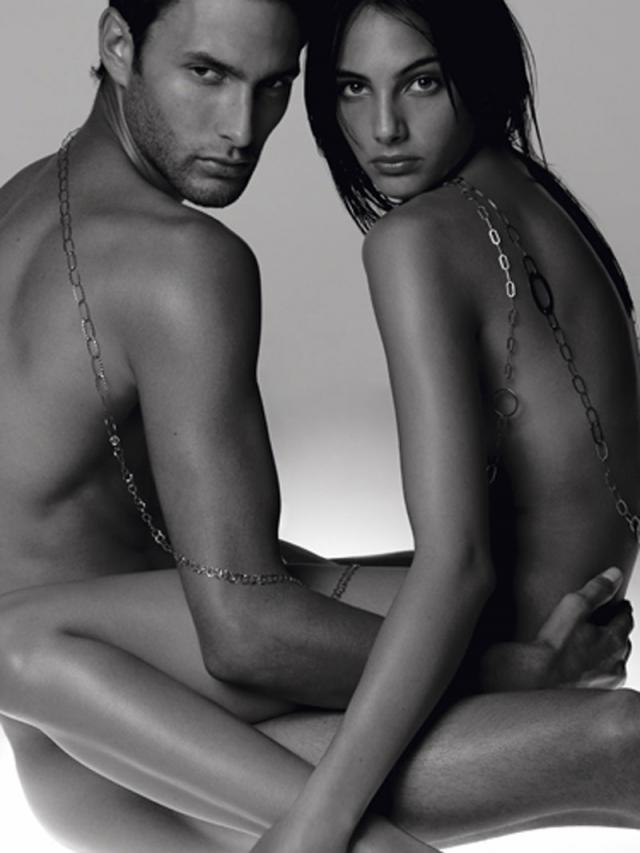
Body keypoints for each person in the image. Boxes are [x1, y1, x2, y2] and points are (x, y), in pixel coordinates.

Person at [0, 1, 634, 851]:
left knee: (28, 644)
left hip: (78, 744)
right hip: (130, 726)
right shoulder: (178, 260)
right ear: (118, 44)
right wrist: (494, 668)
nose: (242, 129)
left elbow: (219, 583)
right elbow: (240, 617)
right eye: (207, 73)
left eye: (273, 86)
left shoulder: (18, 208)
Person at [248, 0, 640, 850]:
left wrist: (316, 824)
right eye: (352, 88)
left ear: (480, 72)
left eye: (421, 83)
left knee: (95, 722)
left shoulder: (419, 238)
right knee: (248, 579)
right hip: (559, 621)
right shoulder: (536, 198)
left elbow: (458, 566)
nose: (383, 128)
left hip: (508, 656)